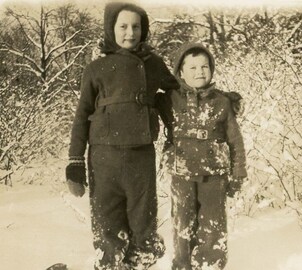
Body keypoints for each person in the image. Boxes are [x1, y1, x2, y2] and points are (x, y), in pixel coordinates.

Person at [65, 2, 179, 270]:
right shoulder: (95, 68)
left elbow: (178, 95)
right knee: (107, 225)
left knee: (143, 223)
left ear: (144, 29)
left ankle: (141, 264)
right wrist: (75, 161)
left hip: (140, 156)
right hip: (104, 158)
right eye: (123, 26)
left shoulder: (153, 64)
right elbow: (82, 115)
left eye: (136, 26)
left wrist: (214, 100)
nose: (130, 32)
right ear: (110, 28)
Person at [156, 42, 247, 270]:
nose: (200, 72)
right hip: (181, 173)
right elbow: (144, 92)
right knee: (182, 226)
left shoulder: (222, 102)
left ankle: (210, 265)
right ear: (180, 72)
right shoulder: (169, 99)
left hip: (214, 175)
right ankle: (182, 266)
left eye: (204, 67)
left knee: (213, 227)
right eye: (193, 68)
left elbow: (235, 141)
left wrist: (238, 174)